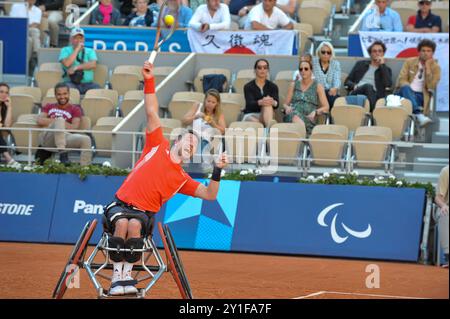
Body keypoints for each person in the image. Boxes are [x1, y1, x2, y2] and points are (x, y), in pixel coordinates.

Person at [104, 61, 229, 296]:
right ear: (177, 140)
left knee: (133, 225)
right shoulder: (156, 144)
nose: (190, 147)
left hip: (143, 215)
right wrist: (149, 80)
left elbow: (210, 195)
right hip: (120, 205)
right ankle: (116, 278)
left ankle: (126, 277)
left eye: (193, 147)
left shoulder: (181, 178)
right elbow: (151, 110)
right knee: (122, 223)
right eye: (188, 141)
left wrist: (217, 170)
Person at [36, 82, 92, 166]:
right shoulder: (49, 106)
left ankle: (85, 169)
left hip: (65, 137)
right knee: (60, 120)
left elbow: (74, 127)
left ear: (69, 94)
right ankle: (62, 152)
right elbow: (39, 120)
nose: (62, 97)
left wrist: (59, 123)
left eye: (65, 94)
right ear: (55, 95)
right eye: (59, 94)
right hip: (49, 138)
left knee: (86, 139)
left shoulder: (75, 109)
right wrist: (58, 121)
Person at [397, 39, 441, 127]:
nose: (425, 53)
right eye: (423, 50)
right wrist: (408, 89)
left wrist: (428, 68)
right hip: (404, 91)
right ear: (419, 52)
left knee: (412, 99)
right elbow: (402, 79)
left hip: (420, 96)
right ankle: (419, 115)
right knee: (405, 88)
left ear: (432, 53)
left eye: (429, 51)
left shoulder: (436, 68)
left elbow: (431, 86)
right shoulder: (409, 62)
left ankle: (416, 114)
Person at [283, 60, 329, 135]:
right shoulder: (294, 85)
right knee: (295, 116)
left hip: (309, 118)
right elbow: (285, 104)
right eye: (301, 69)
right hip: (293, 115)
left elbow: (326, 107)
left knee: (296, 119)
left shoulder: (318, 86)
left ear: (311, 70)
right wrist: (287, 108)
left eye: (306, 69)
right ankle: (303, 140)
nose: (303, 71)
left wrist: (315, 112)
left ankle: (302, 140)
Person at [344, 40, 392, 112]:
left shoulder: (386, 69)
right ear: (370, 53)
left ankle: (370, 112)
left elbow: (388, 84)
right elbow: (347, 81)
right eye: (374, 51)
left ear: (383, 53)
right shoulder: (360, 64)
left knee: (369, 87)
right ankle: (373, 113)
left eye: (380, 51)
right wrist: (354, 86)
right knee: (368, 86)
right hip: (358, 91)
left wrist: (382, 65)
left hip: (375, 96)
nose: (377, 53)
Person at [182, 89, 226, 162]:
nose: (210, 104)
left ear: (217, 104)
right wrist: (196, 117)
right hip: (193, 138)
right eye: (208, 101)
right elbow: (184, 121)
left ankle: (198, 167)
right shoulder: (197, 106)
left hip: (207, 141)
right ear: (205, 100)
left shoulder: (219, 114)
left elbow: (222, 131)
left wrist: (212, 123)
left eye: (213, 102)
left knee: (204, 145)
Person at [59, 27, 101, 95]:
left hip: (88, 84)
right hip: (71, 83)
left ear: (84, 39)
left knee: (97, 89)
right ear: (71, 39)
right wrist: (77, 49)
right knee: (66, 89)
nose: (79, 40)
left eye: (80, 38)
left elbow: (93, 64)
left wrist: (75, 68)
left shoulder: (90, 51)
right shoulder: (65, 50)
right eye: (76, 38)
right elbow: (67, 63)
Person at [243, 59, 279, 128]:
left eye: (265, 68)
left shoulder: (273, 86)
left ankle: (267, 129)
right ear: (255, 70)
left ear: (268, 70)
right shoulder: (248, 86)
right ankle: (267, 131)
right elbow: (249, 105)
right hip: (252, 114)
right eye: (259, 68)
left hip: (269, 113)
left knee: (267, 105)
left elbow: (277, 104)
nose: (262, 70)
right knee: (257, 122)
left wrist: (272, 102)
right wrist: (261, 102)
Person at [312, 41, 341, 109]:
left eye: (328, 52)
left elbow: (337, 79)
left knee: (332, 97)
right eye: (323, 52)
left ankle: (331, 117)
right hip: (316, 92)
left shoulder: (335, 64)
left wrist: (335, 88)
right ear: (319, 52)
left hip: (330, 92)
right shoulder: (313, 63)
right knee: (334, 100)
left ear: (331, 54)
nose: (326, 54)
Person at [0, 83, 21, 169]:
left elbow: (7, 125)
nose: (4, 94)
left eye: (6, 92)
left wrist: (9, 107)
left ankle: (8, 158)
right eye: (1, 92)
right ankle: (8, 158)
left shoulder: (4, 107)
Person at [435, 165, 449, 268]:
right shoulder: (446, 171)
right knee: (445, 213)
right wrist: (444, 205)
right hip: (447, 207)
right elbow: (438, 198)